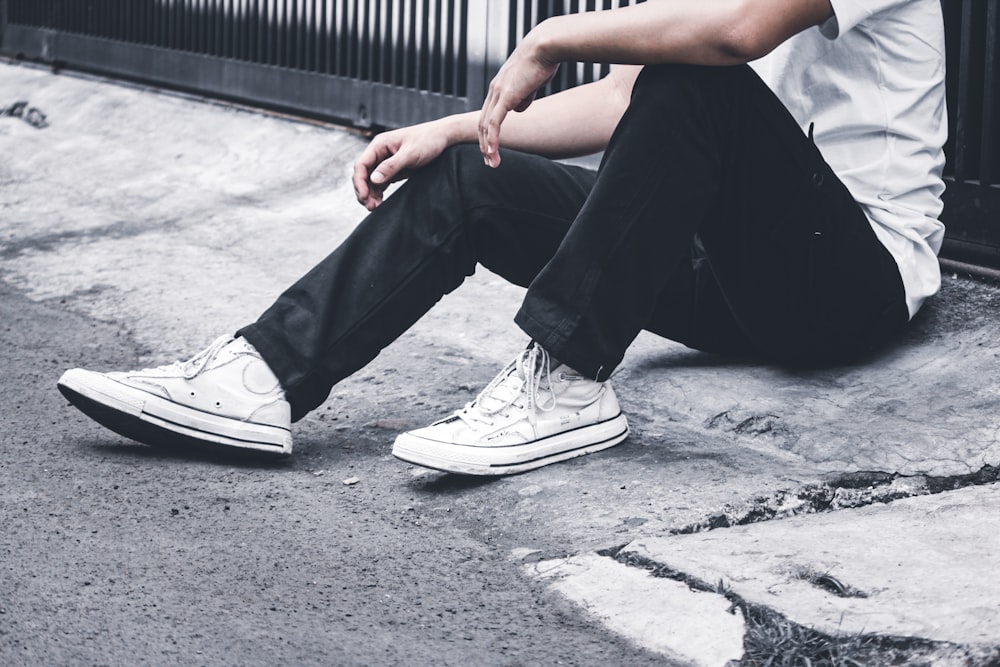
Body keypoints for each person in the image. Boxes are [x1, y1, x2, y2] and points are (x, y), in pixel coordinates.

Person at [57, 0, 947, 475]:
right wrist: (455, 129)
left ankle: (564, 385)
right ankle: (264, 376)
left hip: (848, 282)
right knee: (469, 176)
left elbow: (734, 34)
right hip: (730, 276)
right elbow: (614, 101)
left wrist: (551, 34)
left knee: (696, 83)